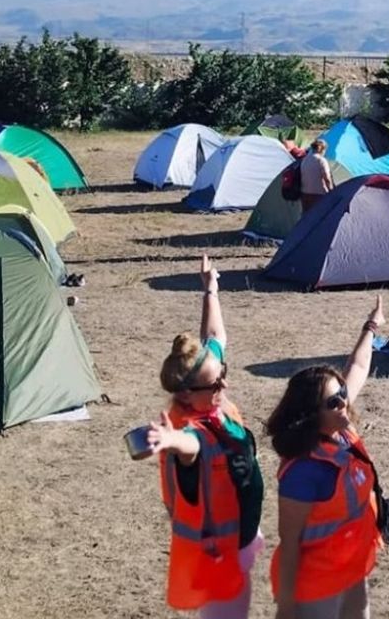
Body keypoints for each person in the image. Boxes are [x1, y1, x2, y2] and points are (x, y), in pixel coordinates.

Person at [146, 255, 265, 619]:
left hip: (239, 539)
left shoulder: (210, 397)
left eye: (223, 373)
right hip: (216, 551)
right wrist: (171, 441)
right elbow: (192, 447)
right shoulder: (192, 427)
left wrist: (210, 289)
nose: (224, 384)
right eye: (216, 382)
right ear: (185, 395)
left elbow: (215, 339)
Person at [267, 297, 386, 619]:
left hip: (352, 571)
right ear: (311, 415)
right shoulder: (303, 471)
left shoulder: (341, 433)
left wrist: (371, 326)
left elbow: (358, 367)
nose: (344, 403)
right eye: (334, 401)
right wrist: (287, 606)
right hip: (316, 586)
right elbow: (289, 542)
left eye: (342, 395)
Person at [300, 139, 334, 213]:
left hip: (305, 194)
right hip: (319, 194)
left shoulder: (304, 160)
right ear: (322, 149)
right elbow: (327, 178)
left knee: (307, 217)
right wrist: (332, 192)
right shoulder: (321, 160)